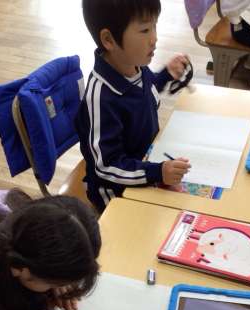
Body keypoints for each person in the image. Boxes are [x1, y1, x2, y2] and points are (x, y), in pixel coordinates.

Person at [75, 0, 191, 213]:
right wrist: (157, 173)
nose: (154, 38)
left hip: (146, 166)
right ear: (109, 40)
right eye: (145, 30)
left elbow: (142, 93)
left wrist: (166, 74)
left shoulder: (134, 66)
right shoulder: (101, 98)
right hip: (116, 193)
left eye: (155, 26)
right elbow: (107, 166)